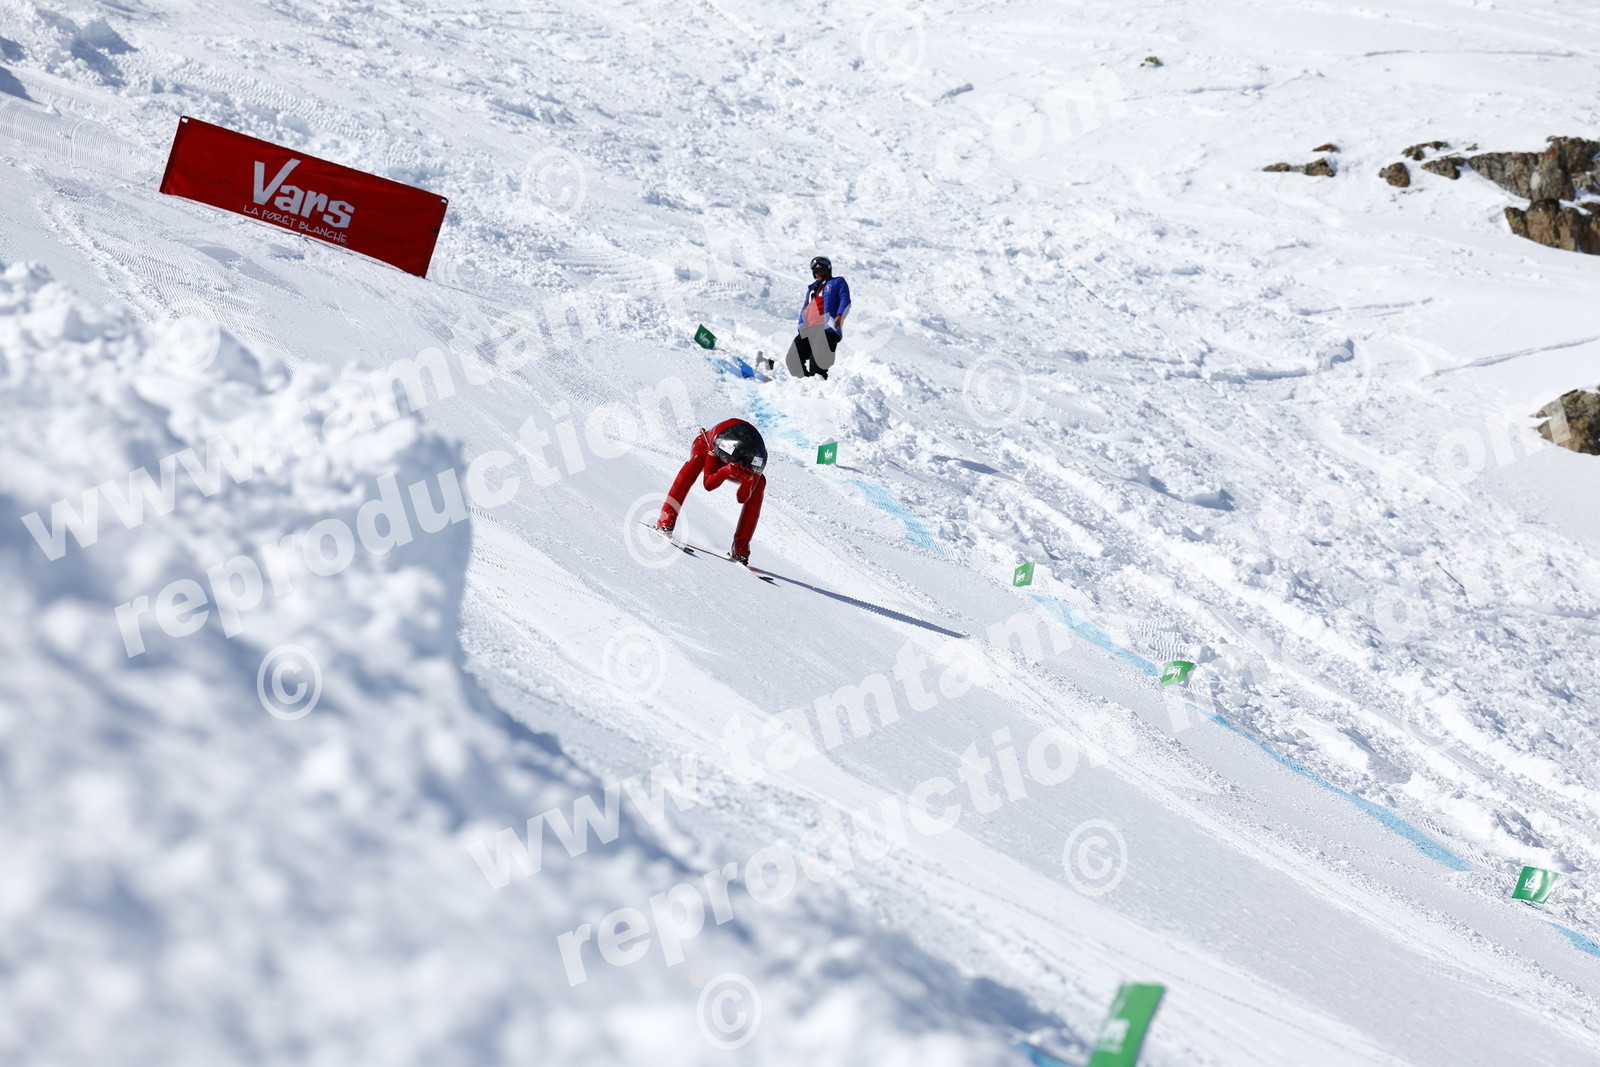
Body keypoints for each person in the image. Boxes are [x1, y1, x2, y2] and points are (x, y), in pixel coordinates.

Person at [655, 418, 768, 564]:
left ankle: (741, 547)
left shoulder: (757, 461)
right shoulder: (719, 440)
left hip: (731, 457)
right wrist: (724, 471)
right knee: (697, 459)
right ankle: (666, 520)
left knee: (760, 483)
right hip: (707, 445)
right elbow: (708, 484)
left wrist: (747, 482)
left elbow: (742, 498)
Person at [793, 255, 851, 379]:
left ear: (828, 270)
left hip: (827, 329)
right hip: (808, 329)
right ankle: (803, 385)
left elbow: (845, 299)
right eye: (816, 271)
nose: (819, 273)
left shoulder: (837, 282)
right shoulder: (811, 289)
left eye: (821, 270)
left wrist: (840, 315)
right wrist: (801, 326)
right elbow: (805, 308)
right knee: (794, 359)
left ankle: (817, 386)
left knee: (817, 367)